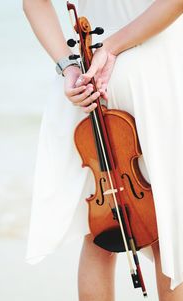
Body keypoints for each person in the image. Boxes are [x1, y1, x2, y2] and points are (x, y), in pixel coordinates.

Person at [23, 0, 183, 300]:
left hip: (89, 78)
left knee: (99, 232)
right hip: (154, 71)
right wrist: (111, 47)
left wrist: (66, 67)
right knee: (170, 227)